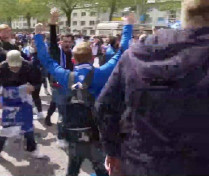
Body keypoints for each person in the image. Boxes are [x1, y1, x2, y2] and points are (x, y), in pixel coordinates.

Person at [95, 0, 209, 175]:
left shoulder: (137, 52)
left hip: (140, 164)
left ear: (184, 14)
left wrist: (112, 151)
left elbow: (104, 107)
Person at [34, 12, 134, 176]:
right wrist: (128, 25)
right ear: (92, 57)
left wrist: (38, 36)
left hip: (73, 131)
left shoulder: (66, 75)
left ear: (73, 59)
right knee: (101, 169)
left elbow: (47, 60)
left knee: (73, 167)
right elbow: (122, 51)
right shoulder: (102, 72)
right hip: (97, 133)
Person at [0, 50, 47, 163]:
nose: (15, 69)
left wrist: (33, 88)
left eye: (17, 67)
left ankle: (33, 149)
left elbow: (38, 81)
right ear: (7, 62)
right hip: (7, 97)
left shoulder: (29, 66)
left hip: (24, 98)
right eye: (12, 67)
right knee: (5, 128)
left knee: (28, 127)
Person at [45, 11, 74, 145]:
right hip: (58, 85)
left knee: (65, 109)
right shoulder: (56, 51)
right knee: (63, 111)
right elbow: (52, 39)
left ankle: (64, 131)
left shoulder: (74, 53)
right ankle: (61, 137)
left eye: (69, 41)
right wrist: (53, 22)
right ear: (61, 42)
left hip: (70, 84)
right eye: (65, 41)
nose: (67, 44)